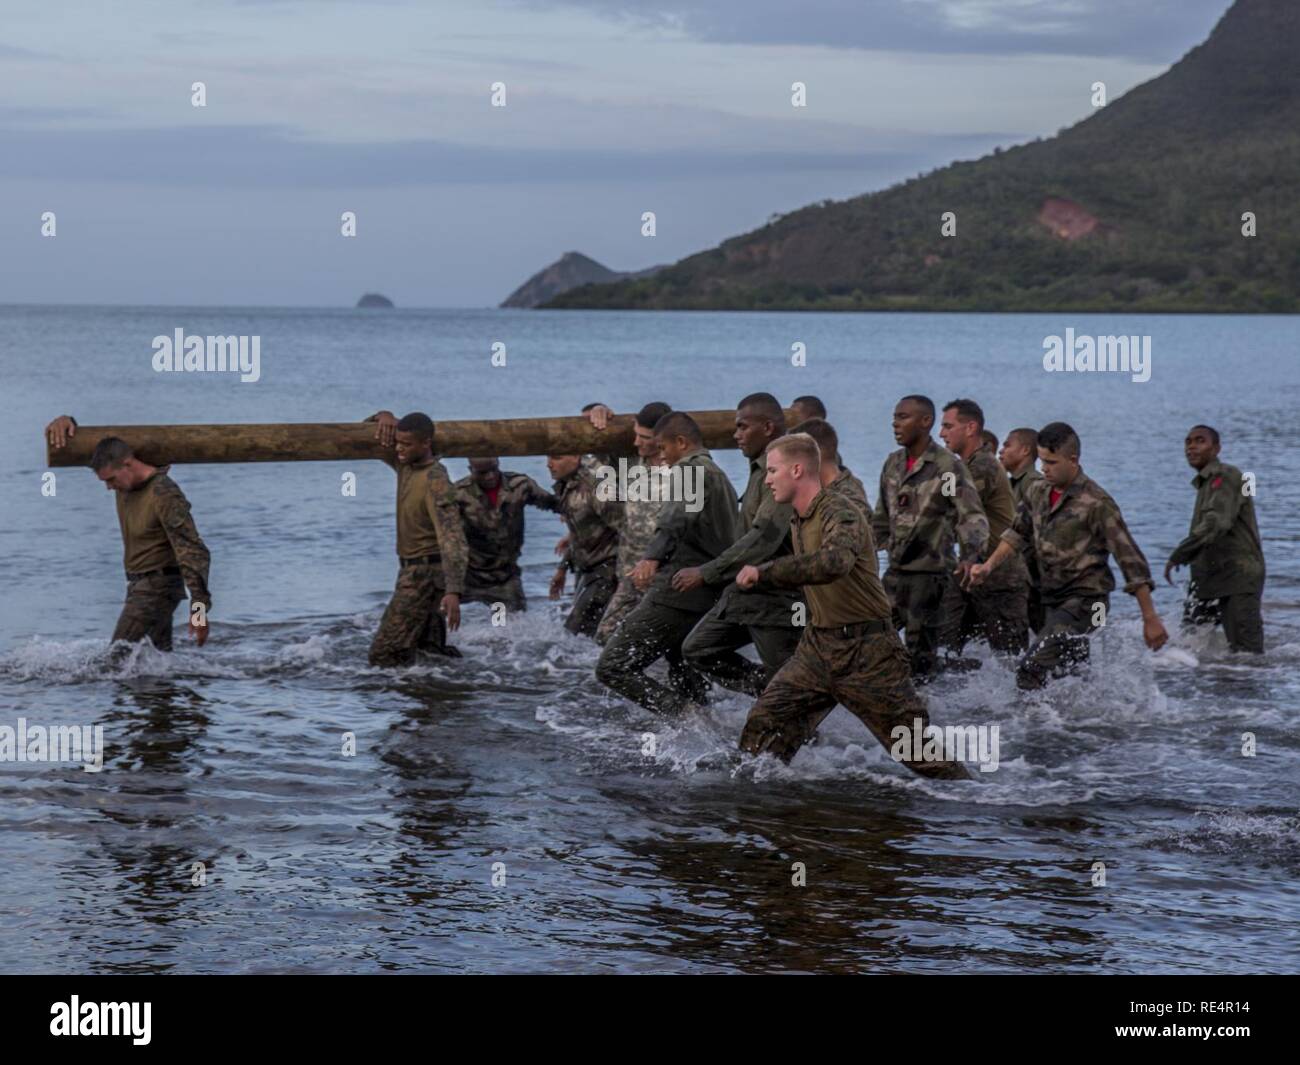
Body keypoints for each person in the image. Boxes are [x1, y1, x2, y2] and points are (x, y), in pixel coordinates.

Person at [736, 434, 968, 779]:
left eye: (773, 471)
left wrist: (765, 572)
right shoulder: (796, 517)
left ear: (797, 470)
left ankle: (980, 800)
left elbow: (835, 562)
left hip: (867, 652)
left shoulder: (840, 511)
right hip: (817, 649)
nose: (766, 479)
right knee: (765, 726)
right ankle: (759, 804)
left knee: (914, 750)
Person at [965, 421, 1169, 688]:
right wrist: (988, 567)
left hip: (1088, 603)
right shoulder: (1037, 491)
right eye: (1041, 462)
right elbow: (1016, 534)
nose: (1044, 469)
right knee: (1069, 673)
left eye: (1051, 463)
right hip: (1050, 598)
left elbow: (1130, 560)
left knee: (1030, 668)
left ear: (1072, 460)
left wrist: (1150, 618)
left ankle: (1030, 725)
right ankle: (1085, 722)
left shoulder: (1097, 503)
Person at [596, 412, 738, 715]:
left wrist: (650, 558)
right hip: (707, 591)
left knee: (612, 667)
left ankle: (684, 716)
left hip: (679, 591)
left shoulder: (691, 469)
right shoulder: (716, 474)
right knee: (681, 662)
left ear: (681, 443)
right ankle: (707, 728)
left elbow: (676, 519)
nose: (662, 456)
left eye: (663, 448)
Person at [45, 416, 212, 655]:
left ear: (128, 464)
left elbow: (194, 552)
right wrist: (64, 421)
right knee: (154, 666)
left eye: (111, 479)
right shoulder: (124, 480)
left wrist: (199, 610)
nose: (109, 487)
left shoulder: (163, 494)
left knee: (115, 661)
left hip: (156, 587)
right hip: (139, 585)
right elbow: (89, 449)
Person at [680, 393, 803, 696]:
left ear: (768, 427)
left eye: (743, 427)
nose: (736, 435)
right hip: (748, 593)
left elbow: (763, 537)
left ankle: (790, 716)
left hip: (776, 597)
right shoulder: (759, 469)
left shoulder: (781, 471)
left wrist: (707, 572)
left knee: (788, 688)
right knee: (698, 649)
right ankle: (771, 697)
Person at [871, 395, 988, 678]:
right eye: (895, 417)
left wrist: (970, 556)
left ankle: (927, 709)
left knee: (919, 657)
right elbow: (881, 517)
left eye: (903, 417)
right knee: (870, 635)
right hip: (896, 574)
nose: (895, 423)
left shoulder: (946, 468)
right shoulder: (893, 464)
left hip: (929, 576)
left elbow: (971, 516)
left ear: (925, 422)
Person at [366, 410, 469, 664]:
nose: (399, 449)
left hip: (423, 574)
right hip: (414, 570)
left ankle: (402, 700)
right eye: (397, 442)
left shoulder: (435, 480)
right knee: (426, 651)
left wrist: (454, 590)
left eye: (406, 444)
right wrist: (384, 416)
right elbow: (366, 435)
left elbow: (452, 536)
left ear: (426, 444)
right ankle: (435, 699)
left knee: (384, 654)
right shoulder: (405, 465)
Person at [938, 398, 1030, 656]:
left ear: (970, 428)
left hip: (1001, 578)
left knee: (1010, 661)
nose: (941, 433)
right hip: (970, 575)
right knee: (945, 651)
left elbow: (949, 510)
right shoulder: (964, 467)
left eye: (948, 426)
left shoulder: (983, 465)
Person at [1164, 425, 1265, 652]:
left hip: (1236, 579)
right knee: (1187, 646)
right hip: (1208, 578)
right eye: (1188, 442)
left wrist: (1180, 554)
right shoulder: (1206, 483)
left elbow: (1215, 524)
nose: (1191, 447)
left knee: (1247, 657)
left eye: (1200, 441)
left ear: (1216, 448)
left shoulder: (1225, 476)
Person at [455, 457, 558, 613]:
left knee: (506, 629)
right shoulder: (459, 494)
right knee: (448, 626)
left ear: (498, 463)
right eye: (482, 473)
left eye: (493, 469)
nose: (490, 477)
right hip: (469, 576)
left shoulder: (519, 485)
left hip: (504, 577)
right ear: (470, 470)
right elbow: (442, 533)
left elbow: (553, 503)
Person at [548, 449, 623, 637]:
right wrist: (562, 568)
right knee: (584, 636)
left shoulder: (596, 486)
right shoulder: (566, 486)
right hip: (586, 571)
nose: (549, 464)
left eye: (556, 457)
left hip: (608, 571)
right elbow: (580, 532)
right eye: (547, 457)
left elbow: (628, 529)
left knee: (574, 634)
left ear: (576, 457)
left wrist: (629, 575)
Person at [1000, 426, 1046, 631]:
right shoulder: (1012, 484)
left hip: (1032, 575)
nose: (1001, 451)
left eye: (1007, 445)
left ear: (1025, 450)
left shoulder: (1034, 483)